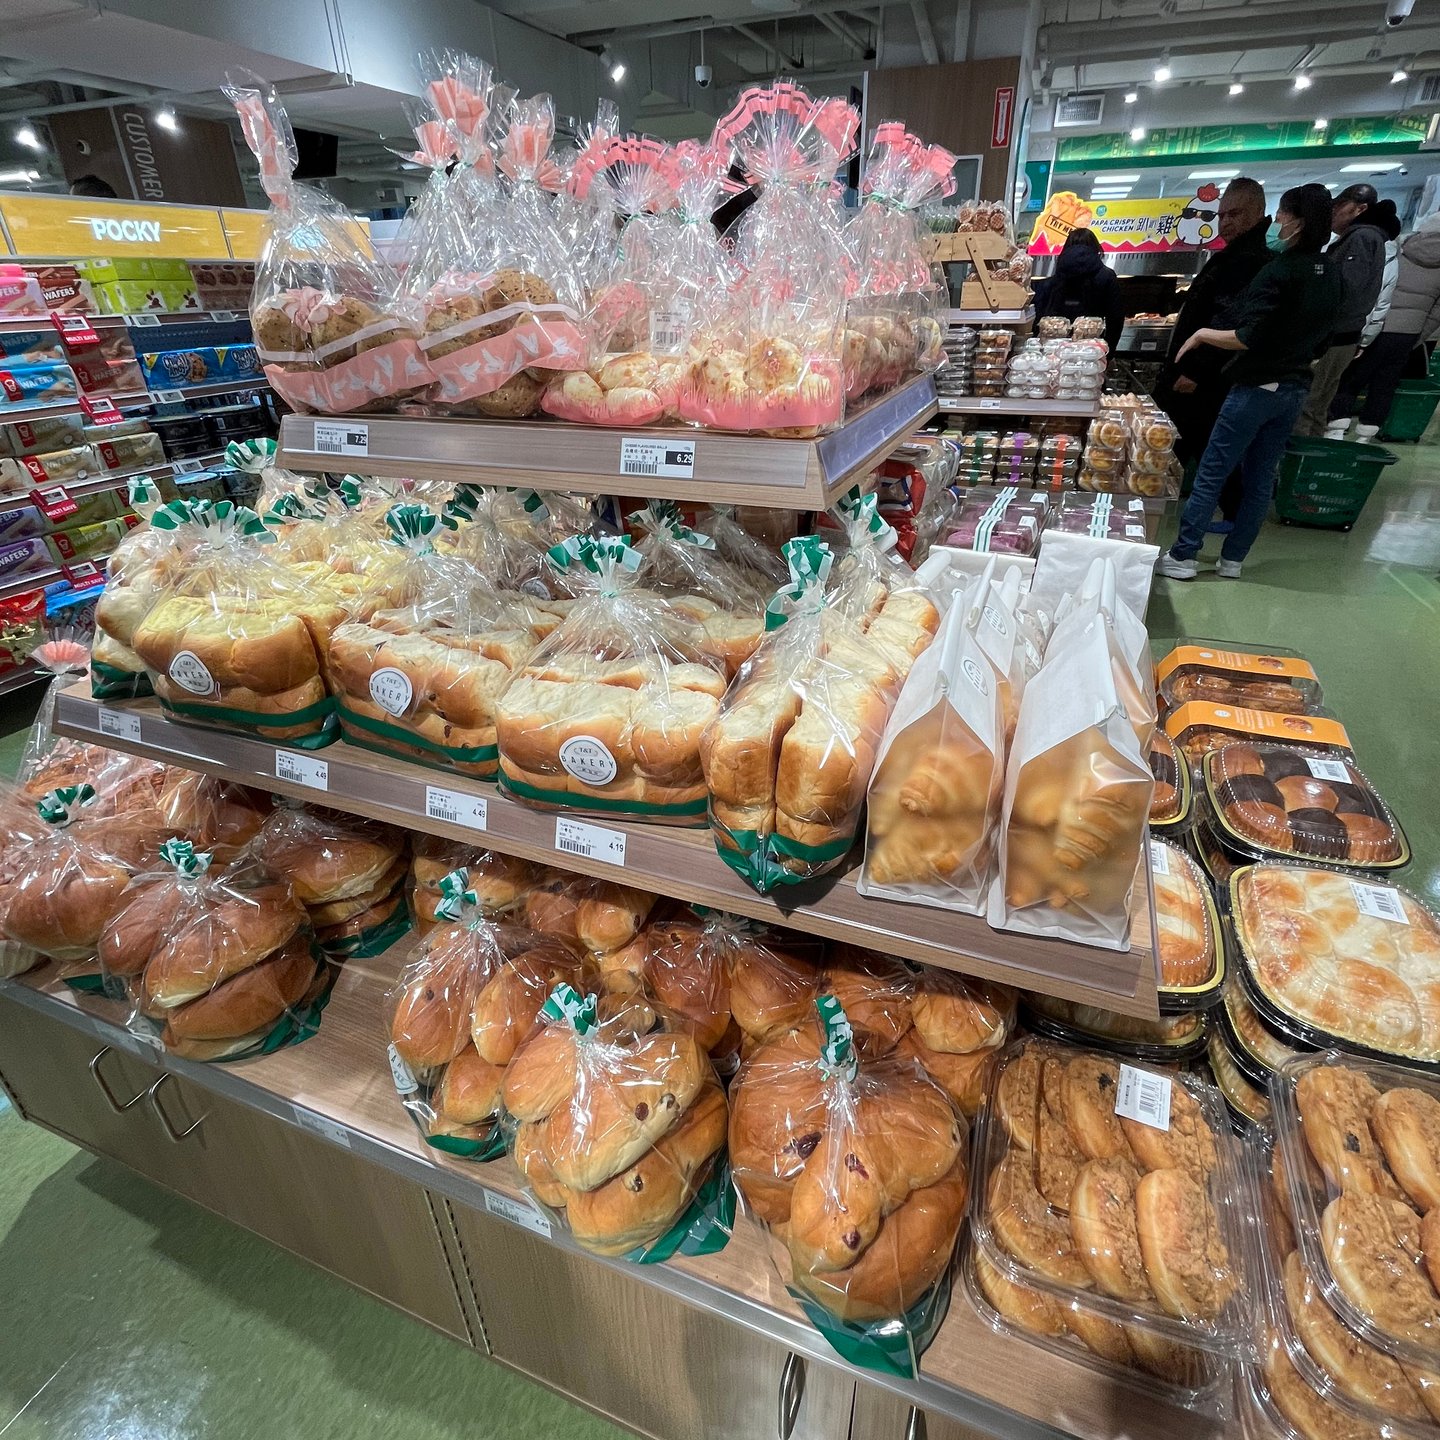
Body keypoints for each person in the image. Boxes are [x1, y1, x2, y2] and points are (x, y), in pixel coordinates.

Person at [1157, 184, 1341, 581]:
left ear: (1293, 220)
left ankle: (1184, 556)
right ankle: (1233, 560)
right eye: (1222, 214)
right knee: (1260, 477)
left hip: (1253, 385)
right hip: (1293, 387)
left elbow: (1245, 333)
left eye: (1283, 215)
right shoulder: (1329, 273)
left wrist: (1202, 339)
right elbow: (1324, 342)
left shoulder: (1273, 267)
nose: (1280, 222)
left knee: (1212, 471)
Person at [1155, 178, 1272, 468]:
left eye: (1235, 214)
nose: (1225, 222)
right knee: (1189, 453)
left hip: (1207, 382)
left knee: (1196, 455)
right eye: (1221, 215)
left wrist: (1195, 371)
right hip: (1204, 377)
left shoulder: (1248, 259)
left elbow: (1228, 320)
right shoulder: (1233, 255)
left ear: (1259, 212)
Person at [1327, 210, 1440, 441]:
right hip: (1408, 333)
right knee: (1384, 386)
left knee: (1352, 379)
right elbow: (1437, 313)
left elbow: (1380, 290)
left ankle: (1336, 430)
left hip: (1381, 325)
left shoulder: (1399, 249)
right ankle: (1365, 437)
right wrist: (1418, 335)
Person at [1293, 184, 1392, 435]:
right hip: (1344, 336)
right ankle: (1306, 463)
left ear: (1360, 208)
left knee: (1308, 405)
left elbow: (1347, 289)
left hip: (1334, 337)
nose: (1333, 212)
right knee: (1318, 406)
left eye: (1339, 206)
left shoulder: (1361, 237)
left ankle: (1296, 466)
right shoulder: (1370, 237)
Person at [1032, 226, 1124, 353]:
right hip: (1092, 347)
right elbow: (1116, 317)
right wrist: (1109, 351)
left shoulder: (1060, 271)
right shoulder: (1106, 276)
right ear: (1095, 248)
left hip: (1057, 346)